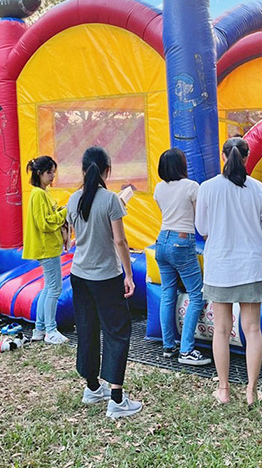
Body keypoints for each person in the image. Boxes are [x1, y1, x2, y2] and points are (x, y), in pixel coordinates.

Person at [196, 138, 262, 406]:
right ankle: (252, 390)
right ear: (247, 157)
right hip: (252, 267)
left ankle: (223, 389)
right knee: (252, 329)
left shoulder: (207, 189)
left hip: (220, 267)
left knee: (221, 329)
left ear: (223, 157)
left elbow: (202, 228)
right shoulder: (258, 189)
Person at [67, 146, 143, 419]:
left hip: (79, 275)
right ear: (106, 169)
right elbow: (120, 241)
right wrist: (129, 274)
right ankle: (117, 400)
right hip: (106, 277)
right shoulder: (111, 200)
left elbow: (76, 238)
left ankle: (92, 387)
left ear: (83, 169)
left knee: (87, 329)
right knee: (117, 332)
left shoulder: (73, 199)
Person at [153, 149, 211, 366]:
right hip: (182, 241)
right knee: (197, 294)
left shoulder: (159, 188)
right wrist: (210, 239)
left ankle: (169, 346)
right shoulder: (191, 187)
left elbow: (166, 212)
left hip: (162, 240)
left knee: (168, 292)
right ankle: (186, 350)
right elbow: (200, 220)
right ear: (182, 165)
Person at [24, 155, 70, 345]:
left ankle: (40, 328)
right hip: (47, 248)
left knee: (48, 288)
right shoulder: (39, 194)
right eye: (50, 172)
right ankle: (50, 330)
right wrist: (65, 212)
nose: (53, 176)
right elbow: (45, 223)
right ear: (40, 173)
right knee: (54, 289)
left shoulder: (41, 193)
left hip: (48, 247)